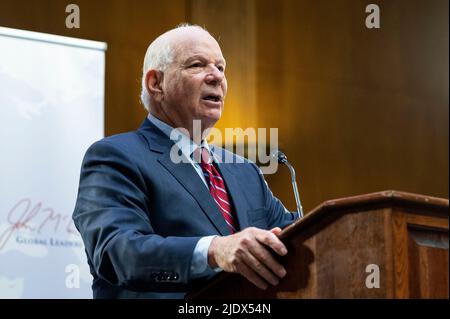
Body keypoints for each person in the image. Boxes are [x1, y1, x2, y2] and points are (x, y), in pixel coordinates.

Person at [72, 24, 299, 299]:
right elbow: (118, 253)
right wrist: (215, 250)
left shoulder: (245, 171)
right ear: (156, 84)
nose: (216, 76)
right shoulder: (115, 157)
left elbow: (296, 238)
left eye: (221, 67)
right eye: (197, 65)